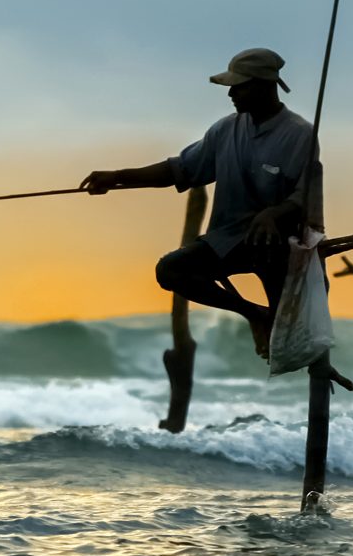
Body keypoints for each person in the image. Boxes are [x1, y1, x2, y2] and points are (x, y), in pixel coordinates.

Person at [82, 46, 323, 357]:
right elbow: (178, 169)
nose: (231, 94)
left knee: (288, 344)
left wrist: (274, 214)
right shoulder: (225, 129)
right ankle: (253, 313)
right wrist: (117, 176)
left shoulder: (299, 134)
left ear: (264, 86)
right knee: (170, 270)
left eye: (239, 86)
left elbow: (306, 195)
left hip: (277, 245)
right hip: (227, 238)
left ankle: (284, 334)